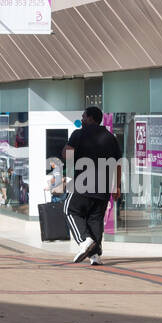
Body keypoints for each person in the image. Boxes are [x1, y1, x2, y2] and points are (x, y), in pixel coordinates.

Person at [63, 106, 122, 266]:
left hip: (82, 182)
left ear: (90, 119)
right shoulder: (111, 138)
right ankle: (95, 256)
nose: (82, 120)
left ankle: (84, 241)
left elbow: (68, 153)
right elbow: (118, 163)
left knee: (70, 210)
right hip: (104, 186)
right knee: (95, 219)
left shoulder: (79, 134)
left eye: (83, 117)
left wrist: (67, 175)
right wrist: (117, 187)